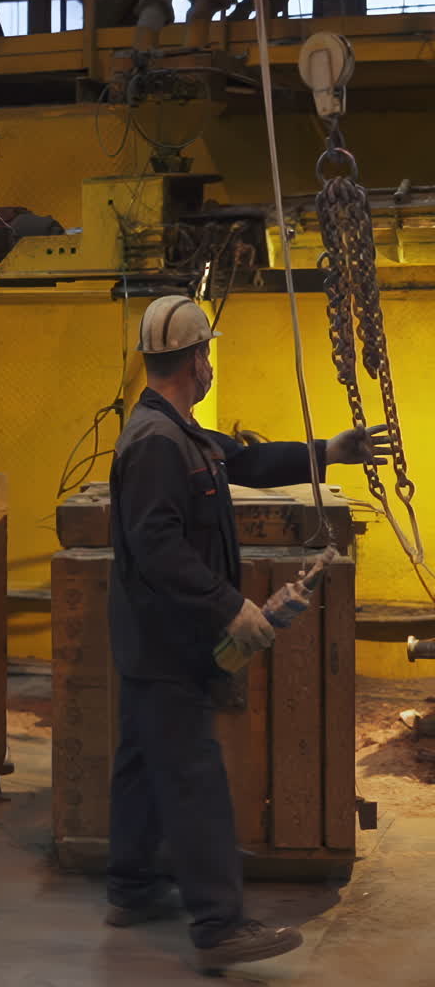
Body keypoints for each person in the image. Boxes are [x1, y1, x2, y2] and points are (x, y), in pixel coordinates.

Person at [106, 294, 390, 974]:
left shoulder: (183, 432)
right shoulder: (155, 444)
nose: (210, 364)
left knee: (143, 762)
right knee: (193, 775)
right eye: (208, 353)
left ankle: (132, 887)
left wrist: (329, 453)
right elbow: (156, 546)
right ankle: (219, 924)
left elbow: (251, 463)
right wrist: (229, 606)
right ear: (196, 359)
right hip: (168, 639)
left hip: (159, 638)